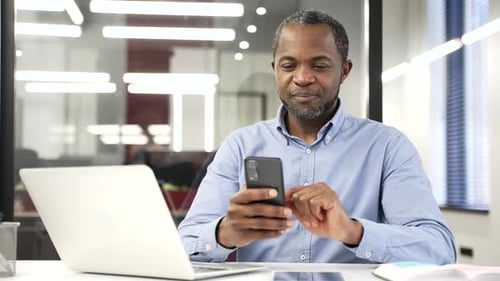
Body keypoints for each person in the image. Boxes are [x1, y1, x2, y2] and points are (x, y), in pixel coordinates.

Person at [178, 10, 456, 265]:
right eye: (288, 66)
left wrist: (353, 231)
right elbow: (183, 246)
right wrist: (225, 233)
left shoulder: (387, 146)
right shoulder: (240, 146)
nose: (302, 78)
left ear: (344, 71)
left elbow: (439, 249)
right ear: (275, 68)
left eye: (319, 66)